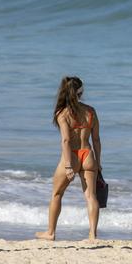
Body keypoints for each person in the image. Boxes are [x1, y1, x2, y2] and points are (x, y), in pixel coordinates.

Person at [36, 76, 102, 241]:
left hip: (71, 156)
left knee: (57, 194)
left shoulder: (62, 113)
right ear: (81, 92)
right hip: (87, 154)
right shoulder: (90, 111)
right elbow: (96, 140)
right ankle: (93, 234)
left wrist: (68, 166)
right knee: (91, 196)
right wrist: (98, 163)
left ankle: (50, 232)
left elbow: (65, 140)